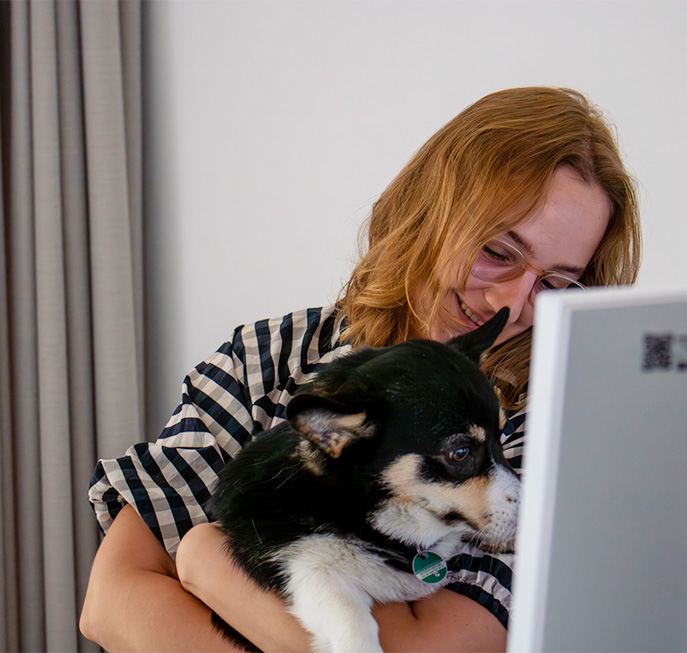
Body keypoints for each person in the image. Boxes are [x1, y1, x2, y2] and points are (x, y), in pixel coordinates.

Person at [80, 86, 641, 652]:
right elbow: (113, 602)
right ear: (431, 209)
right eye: (498, 251)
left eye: (554, 283)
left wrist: (207, 563)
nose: (511, 305)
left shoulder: (561, 430)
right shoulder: (272, 354)